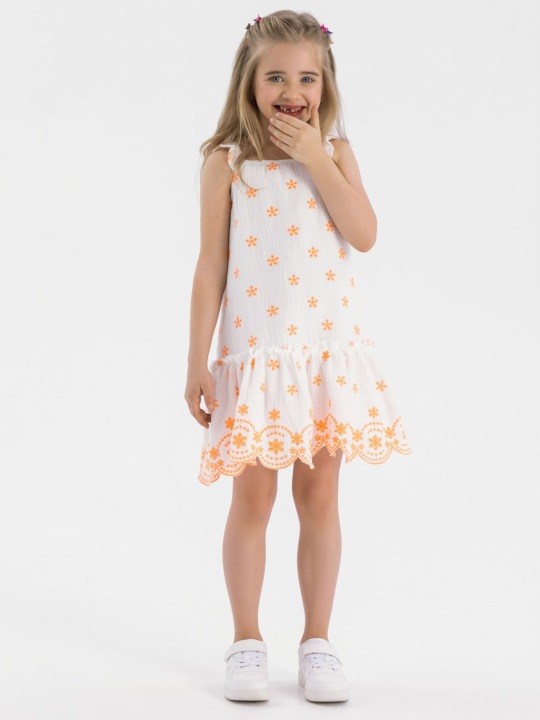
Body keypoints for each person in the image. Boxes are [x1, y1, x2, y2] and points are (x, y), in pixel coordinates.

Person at [185, 9, 412, 703]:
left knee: (320, 498)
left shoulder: (336, 154)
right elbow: (210, 267)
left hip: (322, 360)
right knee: (251, 498)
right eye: (276, 77)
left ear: (326, 84)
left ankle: (318, 642)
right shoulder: (227, 164)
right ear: (248, 83)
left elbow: (364, 234)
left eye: (307, 78)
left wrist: (315, 158)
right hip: (256, 360)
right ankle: (246, 642)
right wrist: (196, 359)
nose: (292, 91)